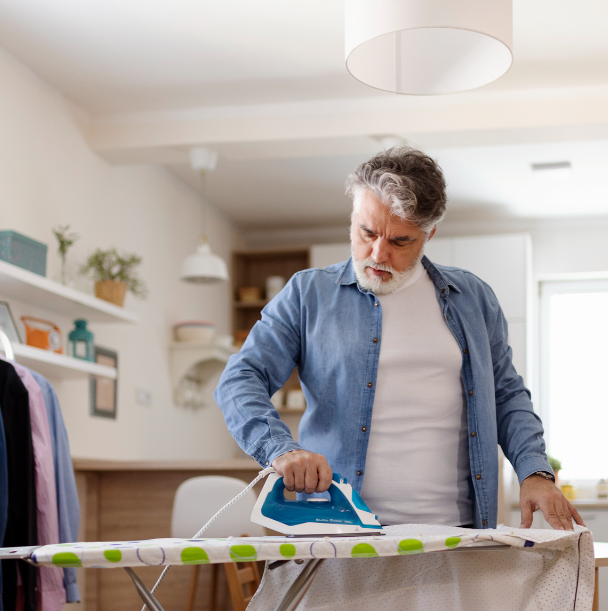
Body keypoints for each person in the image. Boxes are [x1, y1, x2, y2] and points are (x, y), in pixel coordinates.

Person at [214, 147, 582, 531]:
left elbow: (506, 395)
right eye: (366, 232)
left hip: (456, 535)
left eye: (400, 241)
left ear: (428, 235)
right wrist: (281, 449)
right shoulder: (308, 295)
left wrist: (535, 471)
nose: (378, 253)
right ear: (353, 218)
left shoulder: (473, 298)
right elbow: (241, 378)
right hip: (339, 534)